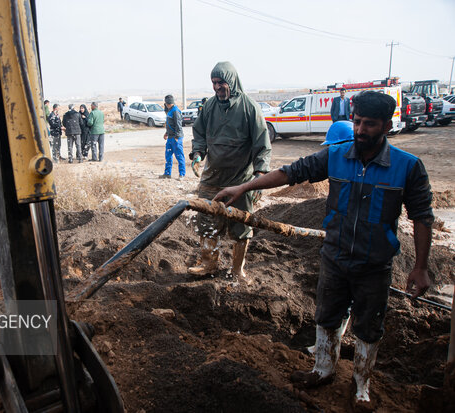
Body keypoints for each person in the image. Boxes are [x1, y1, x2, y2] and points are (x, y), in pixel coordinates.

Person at [213, 91, 433, 409]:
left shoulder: (408, 168)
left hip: (375, 264)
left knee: (369, 327)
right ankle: (323, 369)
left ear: (387, 126)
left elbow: (423, 217)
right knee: (327, 316)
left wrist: (421, 267)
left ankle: (361, 387)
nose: (360, 130)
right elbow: (292, 171)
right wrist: (245, 186)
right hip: (335, 256)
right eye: (356, 122)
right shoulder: (336, 156)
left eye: (369, 124)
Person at [188, 61, 271, 281]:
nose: (217, 87)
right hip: (212, 178)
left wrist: (259, 177)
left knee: (241, 226)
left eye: (221, 82)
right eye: (213, 83)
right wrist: (198, 153)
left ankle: (237, 270)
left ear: (231, 81)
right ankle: (208, 265)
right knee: (206, 222)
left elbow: (262, 145)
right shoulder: (210, 107)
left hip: (240, 180)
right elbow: (200, 133)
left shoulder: (249, 107)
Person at [159, 94, 185, 180]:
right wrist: (166, 133)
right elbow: (170, 124)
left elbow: (178, 125)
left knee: (179, 156)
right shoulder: (169, 111)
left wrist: (177, 137)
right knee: (168, 155)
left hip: (176, 138)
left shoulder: (175, 111)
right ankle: (167, 173)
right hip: (170, 137)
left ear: (168, 103)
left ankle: (182, 174)